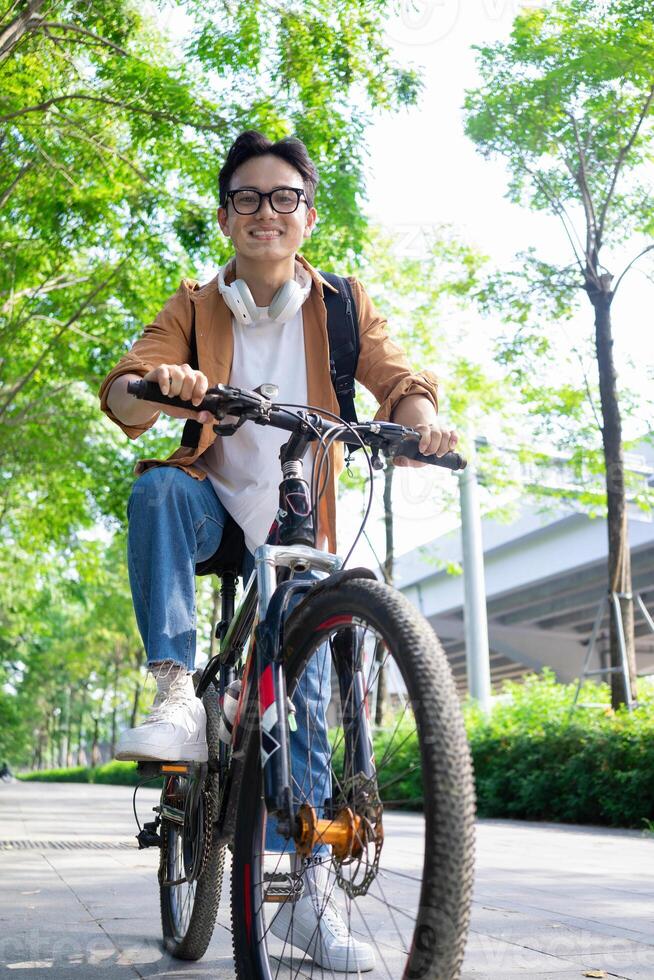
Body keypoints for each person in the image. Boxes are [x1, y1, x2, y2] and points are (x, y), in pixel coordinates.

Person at [99, 130, 457, 971]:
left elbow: (402, 384)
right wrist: (165, 386)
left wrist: (422, 425)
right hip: (214, 509)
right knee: (154, 489)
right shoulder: (194, 304)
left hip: (300, 524)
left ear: (307, 215)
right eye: (249, 198)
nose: (267, 212)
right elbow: (124, 388)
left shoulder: (342, 304)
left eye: (284, 197)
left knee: (297, 706)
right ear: (226, 217)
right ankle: (178, 692)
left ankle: (304, 895)